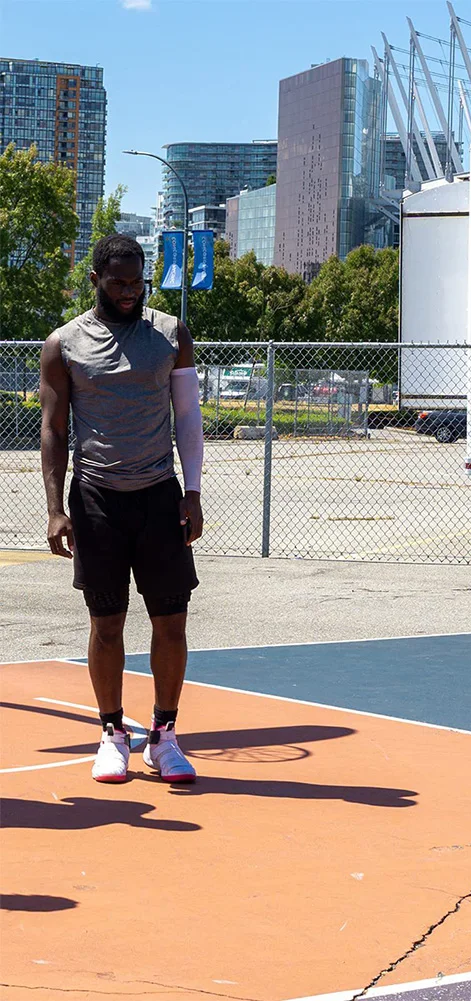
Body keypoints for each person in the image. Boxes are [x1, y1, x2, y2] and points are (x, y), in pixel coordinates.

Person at [40, 233, 205, 784]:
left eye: (137, 282)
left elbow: (187, 419)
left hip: (159, 495)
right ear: (96, 281)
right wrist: (55, 508)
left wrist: (192, 492)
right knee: (106, 624)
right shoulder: (63, 343)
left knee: (172, 622)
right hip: (95, 500)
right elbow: (54, 429)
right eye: (119, 283)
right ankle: (112, 733)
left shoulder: (170, 334)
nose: (130, 292)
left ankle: (164, 736)